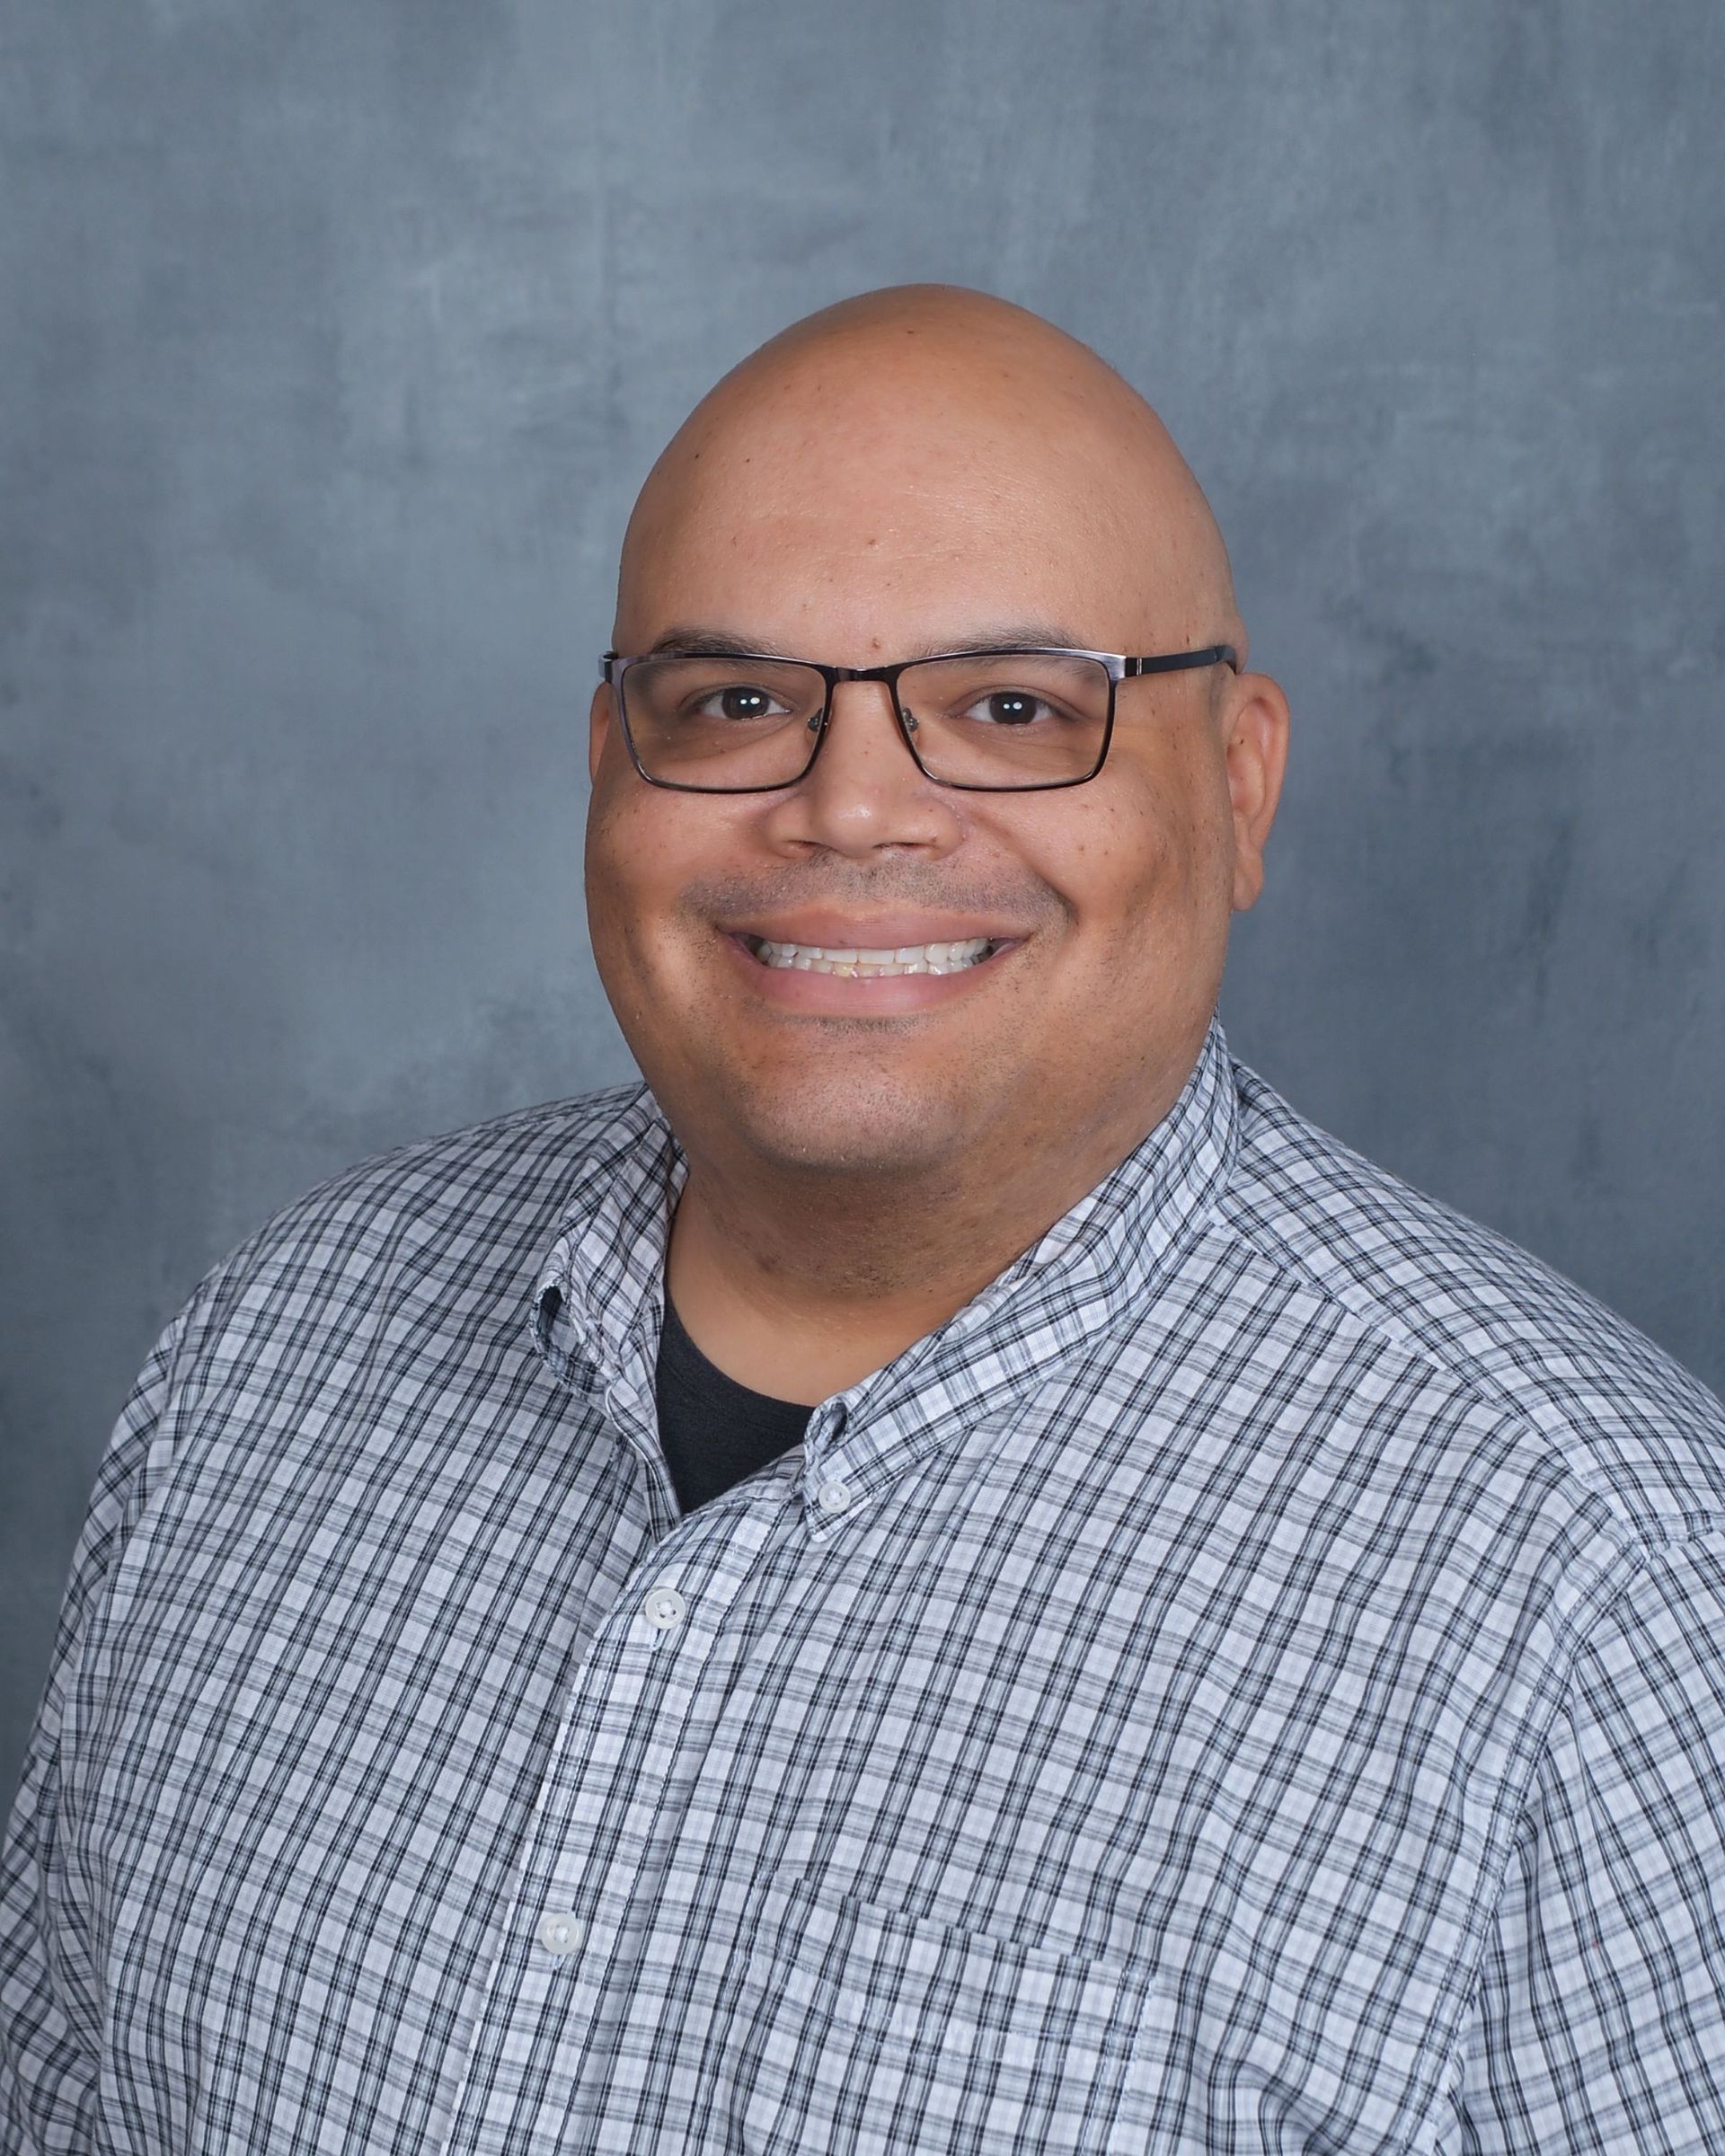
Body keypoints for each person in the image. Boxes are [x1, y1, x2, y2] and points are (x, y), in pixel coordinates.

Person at [3, 285, 1722, 2156]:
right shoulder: (272, 1351)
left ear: (1238, 787)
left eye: (1009, 706)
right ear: (608, 767)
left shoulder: (1607, 1594)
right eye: (737, 701)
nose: (850, 811)